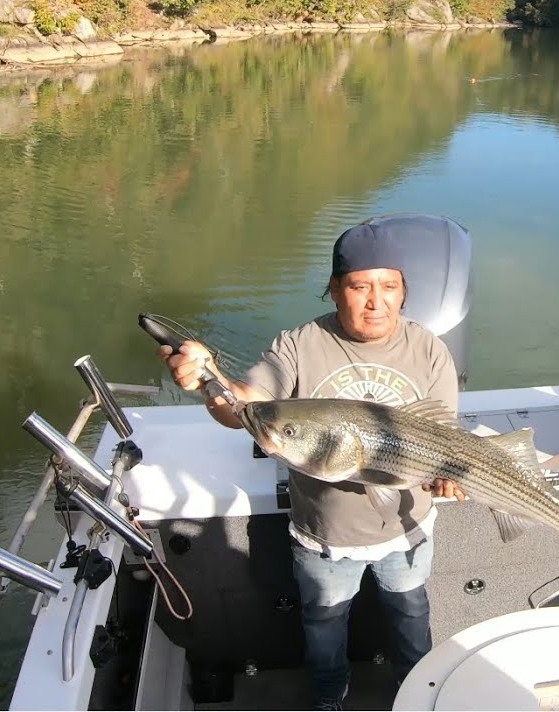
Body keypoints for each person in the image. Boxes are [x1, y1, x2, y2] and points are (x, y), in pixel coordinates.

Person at [157, 217, 464, 711]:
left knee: (411, 617)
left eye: (389, 286)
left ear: (405, 292)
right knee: (323, 628)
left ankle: (419, 693)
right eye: (359, 286)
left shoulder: (429, 349)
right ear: (334, 289)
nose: (375, 301)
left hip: (407, 529)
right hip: (324, 536)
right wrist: (210, 380)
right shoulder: (300, 345)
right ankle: (328, 698)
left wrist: (449, 477)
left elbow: (444, 438)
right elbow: (248, 405)